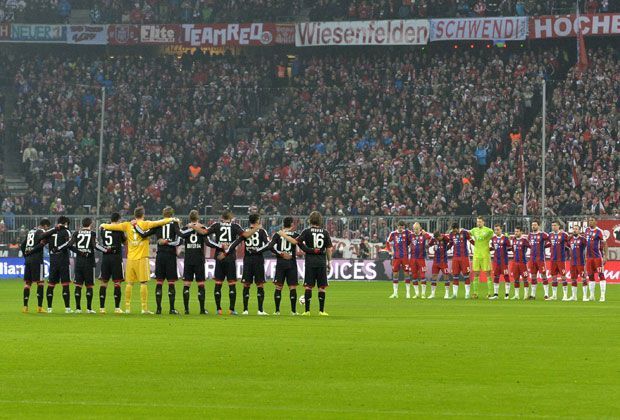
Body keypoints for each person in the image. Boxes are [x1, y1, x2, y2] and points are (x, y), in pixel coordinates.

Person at [100, 206, 177, 314]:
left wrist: (103, 225)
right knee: (143, 283)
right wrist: (172, 219)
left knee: (129, 284)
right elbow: (159, 222)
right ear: (143, 214)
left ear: (135, 215)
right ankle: (144, 309)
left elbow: (113, 227)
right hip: (142, 258)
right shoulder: (145, 224)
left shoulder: (127, 225)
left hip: (130, 258)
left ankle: (127, 308)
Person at [191, 210, 259, 315]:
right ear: (231, 217)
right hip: (230, 257)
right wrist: (256, 228)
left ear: (221, 217)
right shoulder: (235, 226)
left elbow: (204, 232)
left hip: (219, 257)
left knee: (218, 284)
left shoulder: (217, 225)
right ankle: (231, 309)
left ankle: (219, 309)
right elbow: (246, 235)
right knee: (232, 284)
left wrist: (193, 226)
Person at [279, 211, 333, 316]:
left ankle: (307, 311)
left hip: (310, 263)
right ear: (320, 220)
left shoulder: (306, 231)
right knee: (321, 287)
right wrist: (329, 262)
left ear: (310, 219)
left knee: (308, 286)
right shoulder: (325, 232)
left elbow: (295, 242)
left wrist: (283, 235)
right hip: (321, 262)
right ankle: (321, 311)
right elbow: (329, 249)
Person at [134, 207, 181, 314]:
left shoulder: (158, 224)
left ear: (163, 214)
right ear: (172, 214)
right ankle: (172, 309)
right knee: (171, 283)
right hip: (170, 256)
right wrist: (168, 242)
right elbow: (179, 240)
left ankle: (158, 309)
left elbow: (143, 234)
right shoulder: (175, 224)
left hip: (160, 256)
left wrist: (135, 225)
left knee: (159, 282)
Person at [177, 210, 222, 315]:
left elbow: (179, 241)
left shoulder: (185, 228)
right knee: (201, 284)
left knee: (187, 284)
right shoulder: (202, 228)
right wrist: (219, 246)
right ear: (198, 218)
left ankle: (186, 310)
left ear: (189, 218)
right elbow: (208, 242)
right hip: (199, 259)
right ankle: (202, 309)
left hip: (188, 259)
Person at [226, 213, 270, 315]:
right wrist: (258, 250)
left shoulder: (245, 232)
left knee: (246, 285)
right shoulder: (262, 231)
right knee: (260, 285)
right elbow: (268, 244)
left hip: (248, 260)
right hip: (258, 260)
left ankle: (245, 310)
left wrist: (227, 252)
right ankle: (260, 310)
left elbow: (235, 242)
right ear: (258, 220)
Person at [66, 218, 110, 313]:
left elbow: (69, 245)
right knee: (89, 286)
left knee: (78, 285)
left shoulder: (76, 233)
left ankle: (78, 308)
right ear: (90, 224)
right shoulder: (92, 233)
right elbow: (95, 246)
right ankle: (89, 309)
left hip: (79, 262)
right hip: (89, 262)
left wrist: (79, 252)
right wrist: (106, 250)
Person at [20, 218, 57, 313]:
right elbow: (41, 244)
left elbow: (22, 245)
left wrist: (26, 256)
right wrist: (54, 229)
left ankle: (25, 307)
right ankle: (40, 307)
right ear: (45, 226)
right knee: (40, 283)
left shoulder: (30, 231)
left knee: (28, 283)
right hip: (37, 260)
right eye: (47, 228)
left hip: (28, 260)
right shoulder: (41, 231)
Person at [264, 216, 299, 315]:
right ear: (292, 224)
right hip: (291, 263)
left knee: (279, 287)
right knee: (292, 287)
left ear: (283, 224)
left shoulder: (278, 234)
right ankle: (293, 311)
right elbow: (302, 245)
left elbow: (270, 247)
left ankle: (277, 311)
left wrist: (280, 254)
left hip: (281, 263)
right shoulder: (295, 235)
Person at [99, 212, 127, 314]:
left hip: (106, 257)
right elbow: (125, 242)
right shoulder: (119, 229)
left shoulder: (103, 229)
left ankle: (102, 308)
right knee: (117, 282)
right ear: (118, 219)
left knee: (104, 282)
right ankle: (117, 308)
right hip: (116, 258)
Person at [45, 216, 73, 313]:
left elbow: (44, 240)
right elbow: (69, 243)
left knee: (51, 284)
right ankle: (67, 308)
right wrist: (59, 248)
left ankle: (49, 308)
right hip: (63, 259)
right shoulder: (66, 231)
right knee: (65, 284)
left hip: (53, 259)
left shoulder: (52, 231)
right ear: (66, 223)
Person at [385, 220, 411, 298]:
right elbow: (387, 242)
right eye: (400, 226)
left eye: (402, 226)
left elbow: (411, 240)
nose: (401, 228)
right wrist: (390, 251)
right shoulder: (393, 233)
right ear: (397, 226)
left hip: (405, 256)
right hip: (396, 257)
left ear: (404, 227)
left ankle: (408, 293)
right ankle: (395, 293)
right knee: (395, 274)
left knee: (406, 273)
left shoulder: (407, 232)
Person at [470, 216, 494, 299]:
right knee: (475, 274)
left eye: (480, 221)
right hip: (476, 255)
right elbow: (468, 234)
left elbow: (493, 235)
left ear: (483, 222)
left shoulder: (488, 230)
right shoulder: (474, 230)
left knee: (488, 274)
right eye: (477, 221)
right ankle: (475, 293)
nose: (478, 223)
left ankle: (490, 293)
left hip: (485, 255)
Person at [584, 217, 608, 302]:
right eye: (589, 220)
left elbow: (605, 244)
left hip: (597, 257)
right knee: (590, 276)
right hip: (589, 258)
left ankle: (602, 296)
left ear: (596, 222)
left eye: (592, 220)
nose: (590, 221)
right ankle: (592, 295)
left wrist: (606, 256)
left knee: (601, 275)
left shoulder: (599, 231)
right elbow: (586, 245)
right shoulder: (586, 230)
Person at [409, 222, 432, 299]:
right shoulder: (411, 235)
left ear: (420, 228)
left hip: (421, 259)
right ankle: (417, 293)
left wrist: (425, 233)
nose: (415, 230)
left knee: (422, 276)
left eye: (416, 229)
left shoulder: (423, 235)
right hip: (412, 259)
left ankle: (423, 293)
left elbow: (431, 238)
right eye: (414, 229)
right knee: (414, 276)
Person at [448, 223, 472, 299]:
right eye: (453, 231)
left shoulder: (464, 232)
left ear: (457, 228)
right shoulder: (451, 234)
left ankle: (467, 294)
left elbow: (471, 241)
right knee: (455, 276)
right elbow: (450, 244)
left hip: (464, 257)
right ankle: (455, 294)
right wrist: (444, 249)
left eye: (454, 230)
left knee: (466, 276)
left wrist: (477, 246)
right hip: (455, 257)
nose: (453, 232)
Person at [528, 220, 549, 300]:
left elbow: (550, 240)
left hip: (540, 259)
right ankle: (533, 295)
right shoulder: (530, 235)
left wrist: (546, 247)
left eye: (535, 225)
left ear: (538, 226)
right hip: (532, 259)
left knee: (543, 276)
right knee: (533, 276)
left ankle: (546, 294)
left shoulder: (543, 235)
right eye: (532, 225)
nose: (533, 226)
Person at [548, 221, 570, 301]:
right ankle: (554, 295)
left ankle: (565, 296)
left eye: (555, 225)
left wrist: (568, 253)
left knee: (563, 277)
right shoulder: (550, 235)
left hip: (561, 259)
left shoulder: (564, 234)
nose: (553, 227)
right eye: (552, 225)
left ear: (559, 226)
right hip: (553, 259)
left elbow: (570, 243)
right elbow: (549, 244)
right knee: (553, 277)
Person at [491, 224, 512, 300]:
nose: (496, 231)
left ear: (501, 230)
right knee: (496, 277)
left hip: (504, 261)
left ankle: (507, 294)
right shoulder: (493, 239)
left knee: (506, 276)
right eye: (495, 230)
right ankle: (496, 294)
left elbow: (510, 248)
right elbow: (493, 247)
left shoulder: (505, 238)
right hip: (496, 261)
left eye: (498, 229)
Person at [430, 231, 452, 299]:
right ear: (436, 238)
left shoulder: (445, 238)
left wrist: (447, 248)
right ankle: (432, 294)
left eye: (440, 235)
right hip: (436, 261)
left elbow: (451, 241)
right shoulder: (434, 240)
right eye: (439, 237)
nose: (440, 237)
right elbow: (429, 244)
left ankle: (447, 294)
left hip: (443, 261)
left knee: (446, 276)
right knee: (434, 276)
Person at [568, 224, 588, 301]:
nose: (574, 230)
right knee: (573, 279)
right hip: (572, 262)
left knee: (583, 279)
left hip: (581, 262)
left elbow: (587, 248)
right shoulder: (571, 239)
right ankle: (574, 296)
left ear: (579, 230)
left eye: (576, 229)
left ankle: (585, 296)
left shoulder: (583, 239)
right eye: (574, 229)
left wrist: (586, 257)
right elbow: (570, 248)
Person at [511, 226, 531, 300]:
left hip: (522, 263)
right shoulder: (513, 240)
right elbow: (513, 249)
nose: (516, 233)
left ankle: (526, 295)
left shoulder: (524, 240)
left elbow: (531, 247)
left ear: (521, 232)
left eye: (517, 231)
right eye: (515, 231)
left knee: (525, 279)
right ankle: (516, 295)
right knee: (516, 279)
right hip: (515, 263)